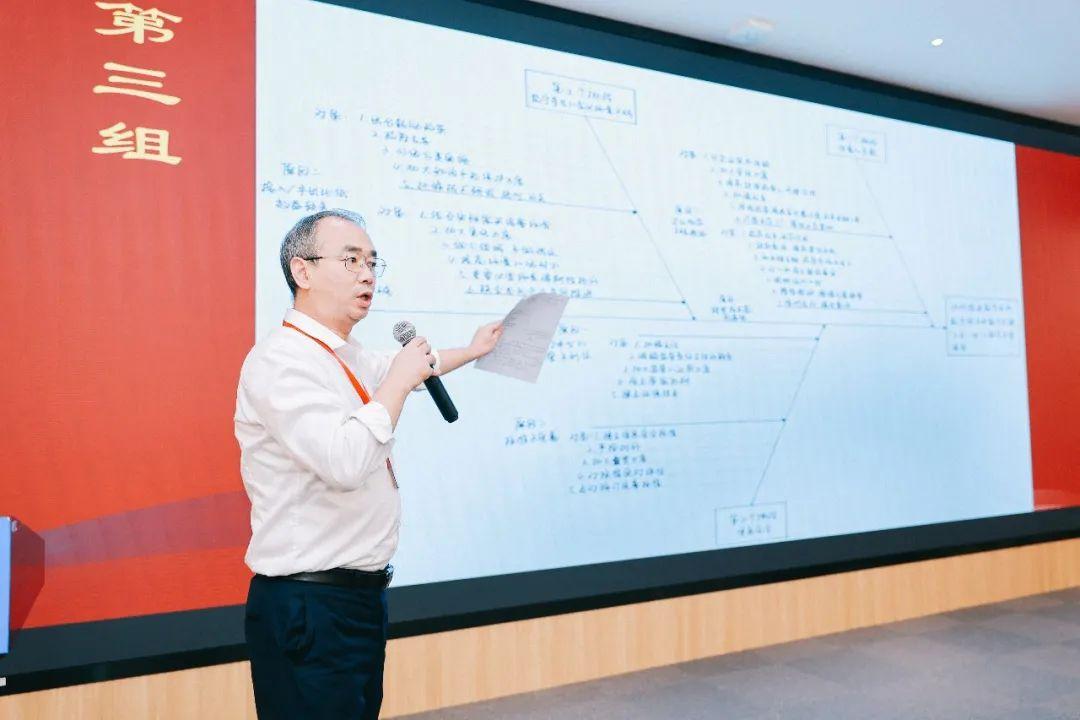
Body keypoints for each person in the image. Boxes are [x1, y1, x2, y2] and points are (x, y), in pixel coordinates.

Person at [234, 208, 502, 719]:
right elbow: (344, 462)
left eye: (373, 263)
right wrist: (399, 380)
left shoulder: (346, 355)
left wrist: (473, 350)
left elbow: (415, 367)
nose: (367, 275)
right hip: (308, 604)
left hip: (358, 601)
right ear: (302, 271)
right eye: (351, 260)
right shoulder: (281, 360)